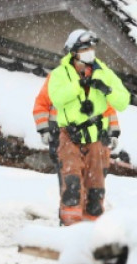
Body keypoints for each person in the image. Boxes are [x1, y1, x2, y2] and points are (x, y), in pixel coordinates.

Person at [48, 29, 130, 225]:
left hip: (97, 137)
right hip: (71, 135)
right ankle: (69, 226)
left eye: (91, 48)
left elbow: (123, 101)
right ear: (74, 52)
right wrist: (79, 84)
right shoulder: (60, 74)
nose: (90, 52)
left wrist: (106, 89)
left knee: (96, 188)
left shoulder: (104, 73)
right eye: (85, 48)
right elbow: (57, 99)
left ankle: (90, 228)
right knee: (72, 184)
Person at [33, 74, 121, 222]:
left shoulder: (95, 79)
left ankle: (85, 221)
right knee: (70, 183)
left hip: (92, 138)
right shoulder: (58, 78)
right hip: (63, 136)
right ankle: (69, 222)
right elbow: (41, 105)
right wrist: (45, 130)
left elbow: (108, 109)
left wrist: (113, 132)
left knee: (92, 185)